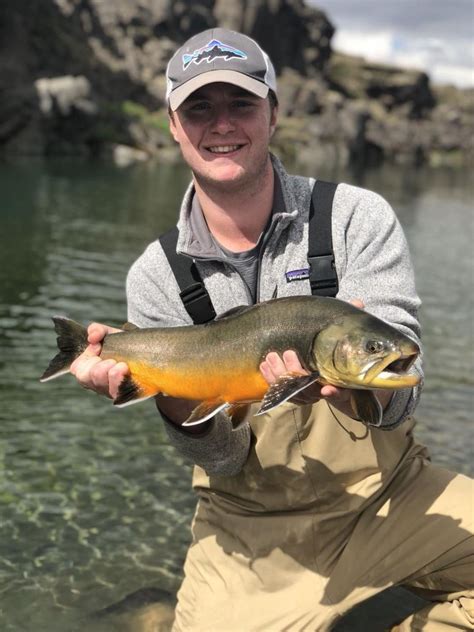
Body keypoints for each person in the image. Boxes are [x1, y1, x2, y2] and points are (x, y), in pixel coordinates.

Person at [71, 28, 473, 632]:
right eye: (199, 108)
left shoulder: (356, 217)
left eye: (241, 103)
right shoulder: (156, 276)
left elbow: (401, 395)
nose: (222, 124)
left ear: (274, 113)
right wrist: (173, 400)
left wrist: (361, 390)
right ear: (174, 127)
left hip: (389, 497)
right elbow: (223, 459)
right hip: (250, 531)